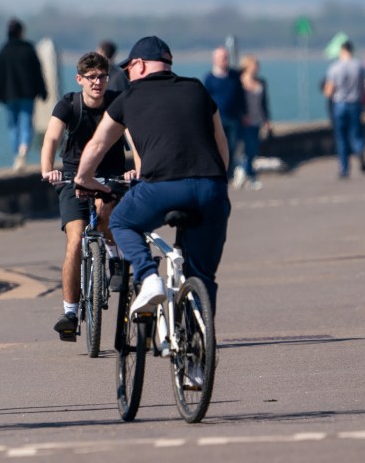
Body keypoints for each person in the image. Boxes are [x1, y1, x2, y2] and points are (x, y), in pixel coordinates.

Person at [74, 36, 231, 320]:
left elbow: (97, 145)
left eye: (128, 70)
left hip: (162, 187)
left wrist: (83, 180)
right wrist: (220, 183)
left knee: (121, 220)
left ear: (140, 65)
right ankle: (199, 345)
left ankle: (149, 278)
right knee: (202, 274)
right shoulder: (197, 89)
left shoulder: (128, 98)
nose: (128, 76)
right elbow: (221, 143)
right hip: (211, 187)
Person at [40, 52, 128, 341]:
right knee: (75, 240)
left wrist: (137, 168)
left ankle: (114, 258)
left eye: (102, 76)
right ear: (80, 80)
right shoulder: (68, 104)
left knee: (105, 219)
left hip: (109, 174)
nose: (97, 83)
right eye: (91, 78)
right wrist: (47, 169)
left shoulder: (117, 102)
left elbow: (134, 136)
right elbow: (52, 137)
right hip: (73, 176)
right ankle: (69, 312)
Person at [0, 17, 48, 171]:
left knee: (13, 126)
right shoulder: (29, 49)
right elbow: (38, 73)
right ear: (21, 32)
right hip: (28, 94)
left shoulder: (3, 51)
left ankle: (16, 156)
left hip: (9, 95)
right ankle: (23, 150)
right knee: (26, 123)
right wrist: (43, 91)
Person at [323, 40, 365, 178]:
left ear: (342, 51)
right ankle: (359, 150)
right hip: (355, 103)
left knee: (341, 137)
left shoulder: (334, 67)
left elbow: (329, 91)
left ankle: (344, 168)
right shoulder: (359, 66)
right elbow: (363, 88)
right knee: (356, 133)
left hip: (340, 104)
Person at [203, 46, 246, 183]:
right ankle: (219, 172)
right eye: (222, 58)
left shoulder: (234, 76)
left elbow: (241, 96)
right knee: (216, 146)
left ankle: (229, 172)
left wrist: (244, 113)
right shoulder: (209, 79)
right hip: (216, 118)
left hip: (233, 118)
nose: (225, 60)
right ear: (215, 60)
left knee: (232, 146)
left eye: (226, 57)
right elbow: (205, 99)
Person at [236, 55, 272, 190]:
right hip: (243, 121)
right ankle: (248, 174)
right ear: (247, 66)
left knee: (252, 150)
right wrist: (242, 116)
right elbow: (237, 103)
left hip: (257, 120)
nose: (256, 68)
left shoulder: (261, 82)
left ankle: (245, 172)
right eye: (254, 65)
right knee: (242, 149)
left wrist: (267, 120)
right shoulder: (238, 82)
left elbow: (265, 103)